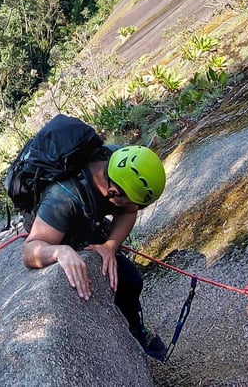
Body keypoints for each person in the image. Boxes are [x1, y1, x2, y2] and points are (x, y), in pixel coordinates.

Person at [21, 144, 169, 361]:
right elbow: (29, 250)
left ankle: (135, 328)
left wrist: (110, 245)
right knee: (111, 281)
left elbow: (129, 210)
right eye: (132, 201)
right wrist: (59, 251)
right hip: (55, 227)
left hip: (87, 219)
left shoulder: (118, 165)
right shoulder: (63, 198)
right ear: (113, 192)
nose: (134, 207)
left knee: (130, 280)